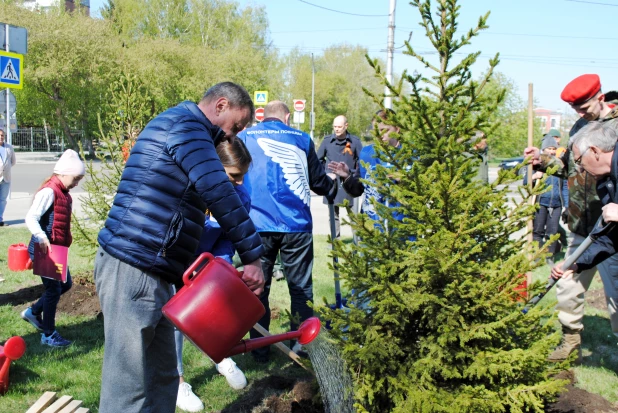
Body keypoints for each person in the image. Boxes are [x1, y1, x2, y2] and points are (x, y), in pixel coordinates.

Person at [94, 82, 265, 413]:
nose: (233, 137)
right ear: (220, 106)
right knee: (127, 386)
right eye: (236, 126)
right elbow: (218, 191)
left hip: (158, 270)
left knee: (164, 379)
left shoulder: (191, 130)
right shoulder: (185, 127)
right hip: (133, 266)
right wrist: (254, 256)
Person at [524, 73, 618, 362]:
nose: (579, 112)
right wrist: (543, 160)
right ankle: (570, 342)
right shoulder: (580, 125)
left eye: (583, 106)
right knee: (568, 286)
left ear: (600, 98)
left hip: (612, 228)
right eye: (574, 108)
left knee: (616, 297)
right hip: (580, 223)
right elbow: (568, 165)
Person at [239, 101, 337, 362]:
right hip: (297, 224)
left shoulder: (245, 136)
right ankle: (302, 344)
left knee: (258, 287)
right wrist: (334, 188)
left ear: (263, 117)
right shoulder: (302, 138)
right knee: (301, 287)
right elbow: (317, 182)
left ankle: (259, 350)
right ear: (287, 117)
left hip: (256, 225)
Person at [175, 139, 251, 413]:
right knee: (177, 321)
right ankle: (179, 382)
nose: (240, 182)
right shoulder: (190, 191)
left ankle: (221, 357)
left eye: (243, 175)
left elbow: (230, 235)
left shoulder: (240, 196)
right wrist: (184, 264)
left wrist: (220, 263)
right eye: (234, 175)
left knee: (214, 313)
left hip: (208, 262)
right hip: (176, 262)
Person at [20, 149, 84, 347]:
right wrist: (41, 237)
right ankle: (48, 334)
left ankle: (32, 312)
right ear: (63, 173)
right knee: (54, 289)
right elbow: (31, 217)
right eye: (75, 178)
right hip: (44, 249)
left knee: (65, 284)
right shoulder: (49, 191)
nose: (76, 183)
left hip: (56, 250)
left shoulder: (64, 193)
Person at [524, 135, 568, 266]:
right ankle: (537, 257)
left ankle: (550, 258)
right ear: (544, 149)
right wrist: (534, 176)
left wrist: (566, 204)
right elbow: (526, 182)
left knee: (552, 232)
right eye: (550, 148)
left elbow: (564, 186)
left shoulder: (558, 164)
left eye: (554, 148)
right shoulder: (537, 163)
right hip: (540, 202)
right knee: (537, 231)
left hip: (556, 204)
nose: (553, 151)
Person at [316, 115, 362, 237]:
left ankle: (357, 241)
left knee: (353, 215)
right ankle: (335, 241)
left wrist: (352, 175)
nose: (336, 129)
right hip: (332, 183)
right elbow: (318, 160)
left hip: (349, 183)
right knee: (333, 214)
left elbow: (361, 162)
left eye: (339, 127)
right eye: (335, 126)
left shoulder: (355, 142)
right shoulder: (327, 141)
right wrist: (326, 173)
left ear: (346, 126)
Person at [0, 128, 16, 226]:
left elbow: (13, 161)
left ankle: (0, 219)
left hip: (6, 178)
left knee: (2, 200)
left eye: (2, 135)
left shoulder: (9, 148)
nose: (1, 137)